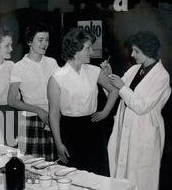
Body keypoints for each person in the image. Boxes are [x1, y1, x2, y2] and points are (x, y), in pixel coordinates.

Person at [103, 31, 171, 190]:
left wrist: (122, 87)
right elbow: (115, 93)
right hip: (127, 129)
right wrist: (108, 77)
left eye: (136, 50)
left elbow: (141, 106)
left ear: (147, 51)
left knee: (146, 177)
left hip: (145, 131)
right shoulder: (134, 70)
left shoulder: (162, 76)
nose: (132, 54)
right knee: (126, 174)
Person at [47, 28, 119, 175]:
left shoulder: (95, 71)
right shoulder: (57, 77)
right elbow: (53, 114)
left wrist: (105, 112)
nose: (91, 52)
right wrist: (59, 144)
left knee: (98, 176)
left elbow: (115, 90)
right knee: (72, 177)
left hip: (93, 129)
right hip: (69, 130)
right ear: (75, 49)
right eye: (88, 48)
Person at [8, 22, 59, 160]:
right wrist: (37, 110)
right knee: (32, 167)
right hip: (31, 121)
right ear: (30, 41)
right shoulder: (19, 67)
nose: (45, 44)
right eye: (40, 40)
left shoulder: (52, 63)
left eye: (47, 40)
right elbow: (11, 100)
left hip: (53, 119)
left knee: (53, 165)